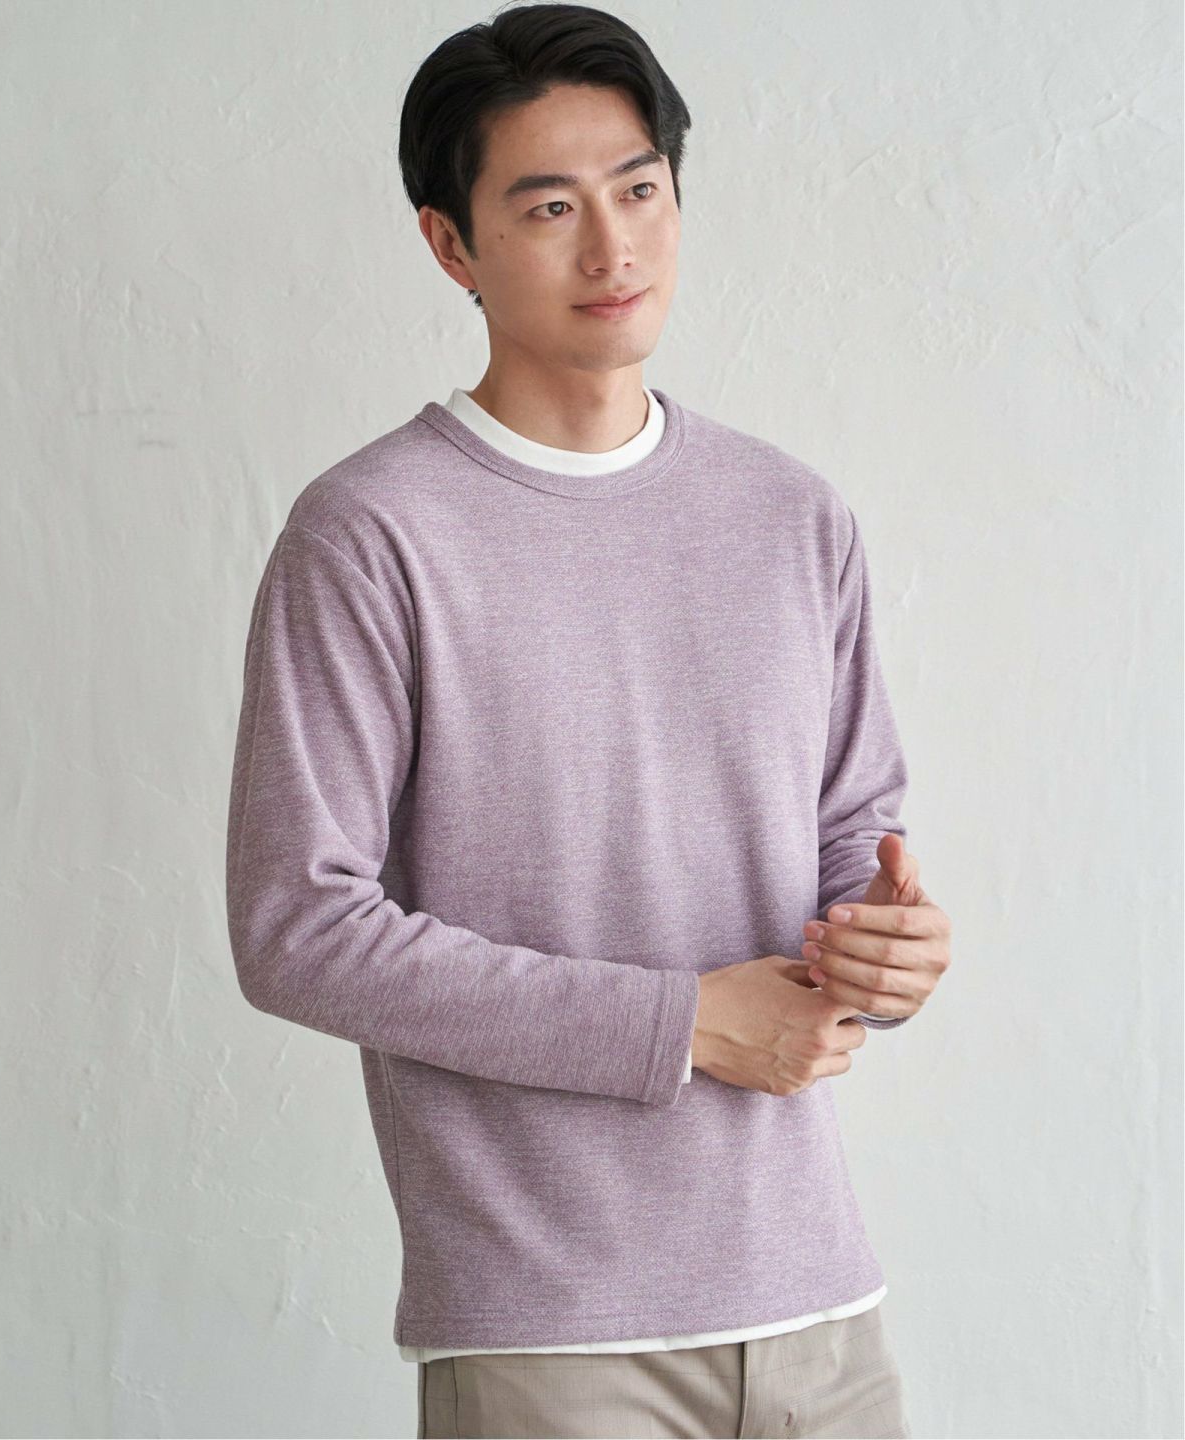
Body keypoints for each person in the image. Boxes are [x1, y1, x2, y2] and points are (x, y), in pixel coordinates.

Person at [224, 5, 951, 1436]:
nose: (614, 248)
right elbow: (296, 926)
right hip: (548, 1332)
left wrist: (889, 953)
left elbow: (854, 840)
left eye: (639, 189)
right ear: (451, 245)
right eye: (550, 207)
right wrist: (680, 1025)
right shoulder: (369, 535)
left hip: (820, 1308)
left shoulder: (791, 515)